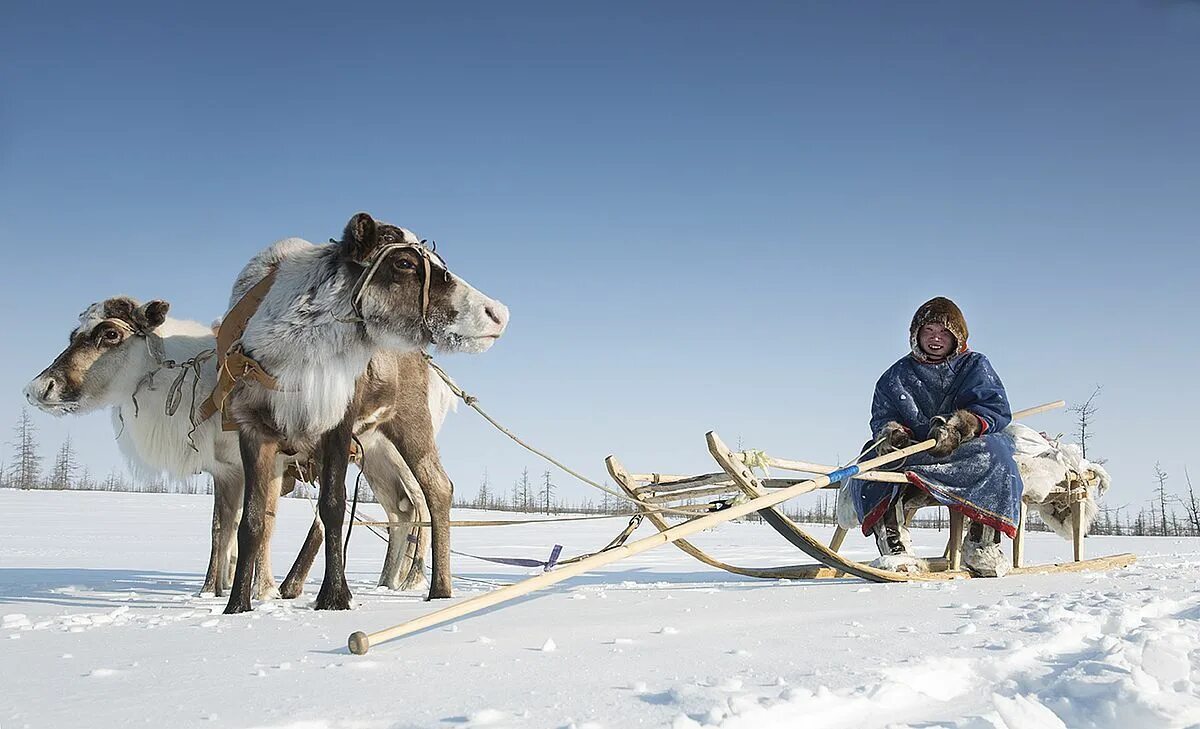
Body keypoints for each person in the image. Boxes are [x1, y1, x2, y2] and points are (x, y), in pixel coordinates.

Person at [848, 296, 1024, 577]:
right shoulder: (895, 376)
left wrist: (959, 428)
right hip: (915, 450)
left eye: (943, 332)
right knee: (872, 459)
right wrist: (894, 434)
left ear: (957, 337)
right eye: (928, 331)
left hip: (962, 449)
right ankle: (894, 546)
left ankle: (981, 544)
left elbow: (993, 409)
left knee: (997, 453)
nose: (935, 338)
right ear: (916, 335)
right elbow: (883, 417)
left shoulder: (975, 366)